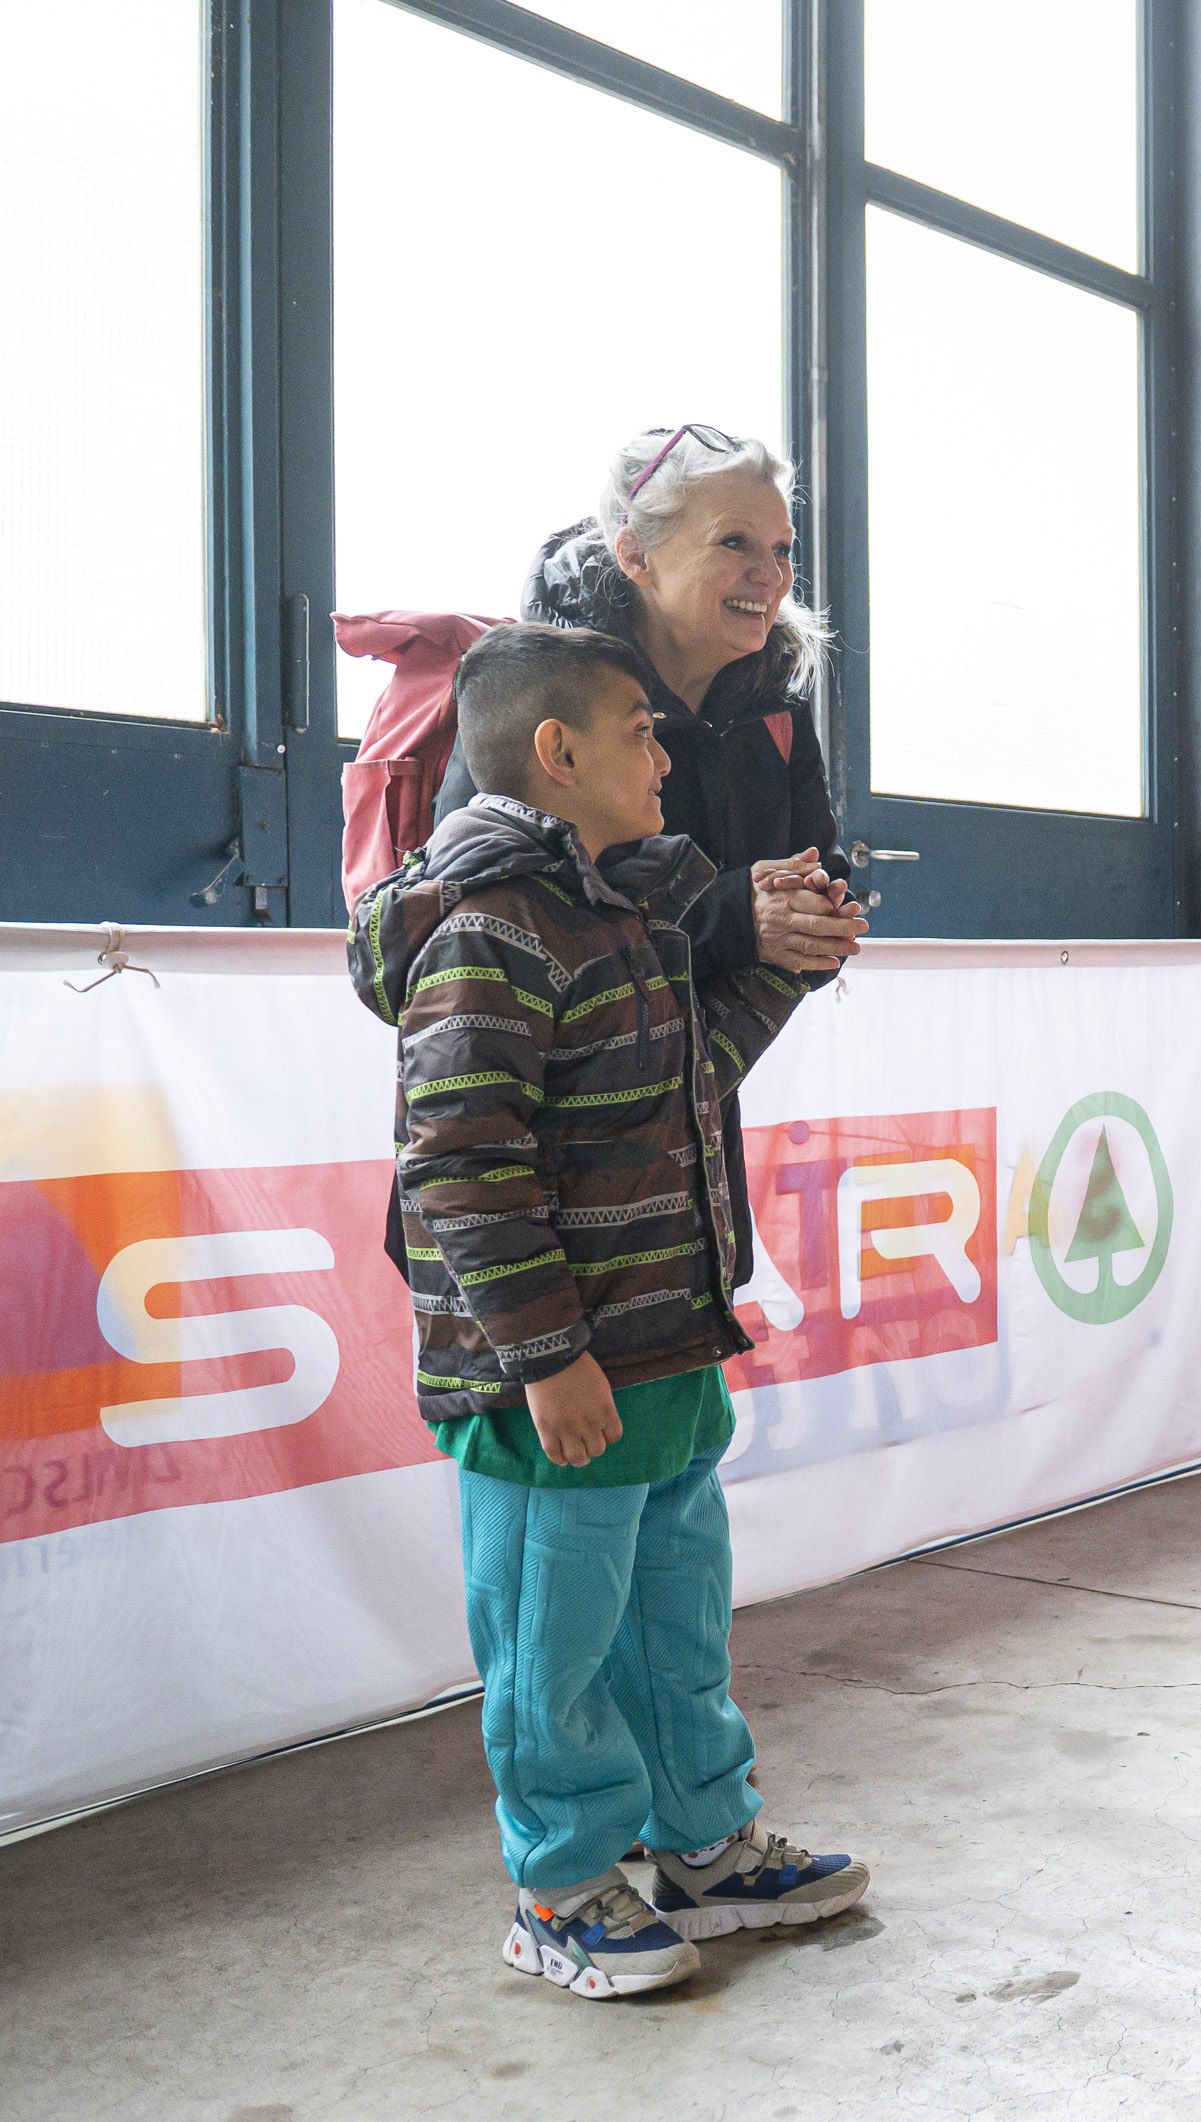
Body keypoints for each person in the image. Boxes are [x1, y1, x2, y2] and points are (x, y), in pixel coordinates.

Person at [353, 623, 872, 2000]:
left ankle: (703, 1843)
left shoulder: (625, 913)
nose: (664, 757)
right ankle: (562, 1884)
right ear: (557, 753)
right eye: (640, 733)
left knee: (673, 1625)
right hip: (557, 1383)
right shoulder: (485, 930)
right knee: (553, 1646)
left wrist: (786, 967)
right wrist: (547, 1356)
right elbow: (462, 1165)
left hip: (664, 1352)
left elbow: (685, 1078)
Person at [436, 424, 865, 1269]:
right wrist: (738, 918)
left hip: (688, 1179)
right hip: (529, 1188)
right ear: (635, 553)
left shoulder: (776, 709)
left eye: (782, 549)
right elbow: (492, 916)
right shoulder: (536, 689)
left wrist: (815, 920)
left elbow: (810, 885)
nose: (771, 574)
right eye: (734, 542)